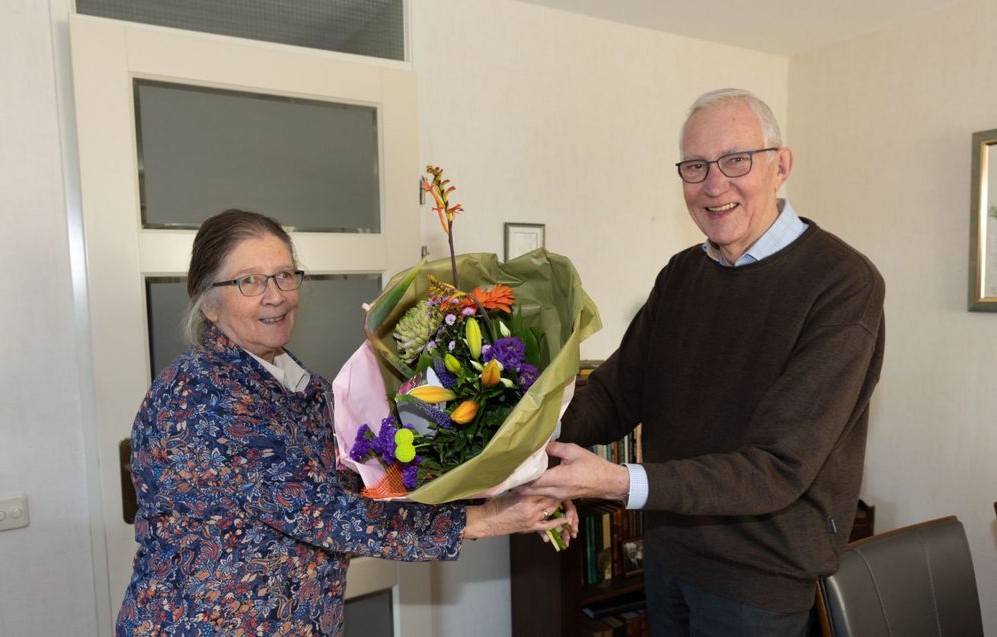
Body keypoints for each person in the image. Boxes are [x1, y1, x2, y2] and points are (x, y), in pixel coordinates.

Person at [520, 89, 885, 636]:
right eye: (695, 166)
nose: (714, 185)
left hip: (758, 582)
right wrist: (515, 427)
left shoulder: (842, 284)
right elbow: (617, 393)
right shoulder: (681, 275)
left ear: (781, 165)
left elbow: (776, 467)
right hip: (669, 557)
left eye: (736, 160)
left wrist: (617, 482)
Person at [116, 209, 573, 636]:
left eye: (283, 275)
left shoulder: (298, 386)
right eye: (249, 281)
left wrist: (500, 481)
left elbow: (363, 488)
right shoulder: (199, 394)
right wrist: (485, 519)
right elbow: (327, 515)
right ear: (209, 304)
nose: (274, 294)